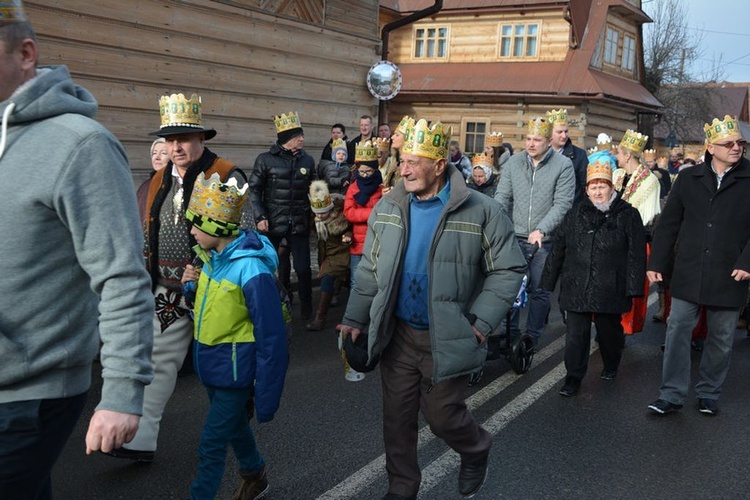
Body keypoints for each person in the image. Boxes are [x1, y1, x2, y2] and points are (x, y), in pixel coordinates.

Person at [0, 5, 154, 497]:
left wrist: (123, 393)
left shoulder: (81, 145)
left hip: (27, 392)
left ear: (26, 53)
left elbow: (122, 276)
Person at [339, 118, 527, 499]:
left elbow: (508, 268)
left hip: (449, 332)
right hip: (399, 335)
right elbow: (371, 271)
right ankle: (402, 488)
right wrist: (355, 318)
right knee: (397, 418)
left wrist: (480, 321)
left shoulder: (482, 211)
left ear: (439, 165)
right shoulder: (389, 206)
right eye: (402, 159)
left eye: (414, 161)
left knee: (442, 417)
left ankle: (475, 449)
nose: (403, 168)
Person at [107, 93, 250, 463]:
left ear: (202, 139)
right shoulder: (157, 180)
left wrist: (206, 269)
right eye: (170, 140)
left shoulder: (224, 175)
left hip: (215, 289)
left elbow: (244, 236)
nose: (176, 147)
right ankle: (140, 438)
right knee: (158, 360)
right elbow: (146, 229)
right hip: (168, 292)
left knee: (219, 369)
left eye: (183, 139)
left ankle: (243, 444)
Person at [180, 173, 288, 499]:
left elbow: (272, 337)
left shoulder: (251, 269)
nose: (192, 231)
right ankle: (255, 474)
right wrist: (190, 287)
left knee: (211, 444)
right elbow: (211, 310)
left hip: (235, 374)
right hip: (213, 368)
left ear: (216, 227)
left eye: (198, 225)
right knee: (235, 427)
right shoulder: (211, 261)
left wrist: (267, 395)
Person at [647, 115, 750, 416]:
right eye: (728, 143)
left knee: (721, 336)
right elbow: (668, 224)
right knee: (677, 328)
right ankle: (671, 393)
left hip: (731, 271)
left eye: (740, 143)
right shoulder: (689, 178)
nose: (736, 148)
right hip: (689, 268)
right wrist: (657, 261)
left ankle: (708, 392)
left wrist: (748, 262)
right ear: (710, 147)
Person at [541, 160, 646, 396]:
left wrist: (634, 287)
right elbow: (559, 247)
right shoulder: (576, 213)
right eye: (593, 187)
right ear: (586, 190)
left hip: (611, 284)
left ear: (612, 187)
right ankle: (573, 378)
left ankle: (611, 363)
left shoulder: (628, 215)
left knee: (609, 332)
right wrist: (548, 280)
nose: (598, 192)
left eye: (602, 186)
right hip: (577, 283)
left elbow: (636, 254)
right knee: (576, 336)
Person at [494, 116, 576, 347]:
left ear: (549, 142)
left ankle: (532, 336)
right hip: (514, 235)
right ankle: (508, 333)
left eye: (537, 139)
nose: (531, 144)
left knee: (539, 289)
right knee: (510, 286)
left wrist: (541, 229)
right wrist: (498, 222)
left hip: (545, 239)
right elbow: (502, 196)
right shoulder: (514, 163)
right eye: (528, 139)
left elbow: (563, 204)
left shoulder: (563, 166)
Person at [248, 111, 316, 319]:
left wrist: (320, 212)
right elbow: (254, 190)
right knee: (269, 267)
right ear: (286, 139)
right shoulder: (265, 160)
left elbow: (315, 189)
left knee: (304, 269)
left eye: (301, 135)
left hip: (298, 222)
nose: (302, 139)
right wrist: (260, 217)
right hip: (272, 223)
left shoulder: (307, 160)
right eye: (298, 136)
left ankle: (306, 310)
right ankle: (271, 305)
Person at [612, 129, 660, 335]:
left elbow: (646, 217)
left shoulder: (650, 181)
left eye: (619, 153)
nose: (616, 157)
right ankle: (609, 325)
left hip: (634, 241)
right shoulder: (617, 175)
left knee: (629, 287)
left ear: (628, 155)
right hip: (612, 238)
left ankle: (624, 328)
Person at [305, 181, 351, 333]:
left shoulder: (341, 217)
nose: (319, 216)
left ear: (330, 209)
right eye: (317, 213)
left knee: (327, 280)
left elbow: (352, 228)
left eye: (322, 213)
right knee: (333, 280)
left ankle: (320, 318)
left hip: (340, 253)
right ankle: (336, 293)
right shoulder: (316, 220)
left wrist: (348, 236)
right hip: (325, 254)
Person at [344, 140, 383, 286]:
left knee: (375, 281)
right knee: (356, 280)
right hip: (358, 243)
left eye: (369, 172)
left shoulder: (381, 189)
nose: (365, 175)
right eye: (362, 172)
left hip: (377, 243)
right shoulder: (353, 188)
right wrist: (372, 214)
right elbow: (349, 212)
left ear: (375, 171)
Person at [547, 108, 588, 204]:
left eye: (566, 131)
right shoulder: (540, 154)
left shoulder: (579, 155)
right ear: (550, 133)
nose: (564, 136)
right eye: (559, 132)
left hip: (571, 209)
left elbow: (585, 185)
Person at [137, 137, 170, 222]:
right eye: (154, 153)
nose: (157, 157)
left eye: (164, 153)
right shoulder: (145, 186)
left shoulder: (175, 184)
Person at [381, 115, 413, 194]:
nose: (392, 137)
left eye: (397, 135)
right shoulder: (395, 161)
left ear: (406, 139)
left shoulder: (411, 164)